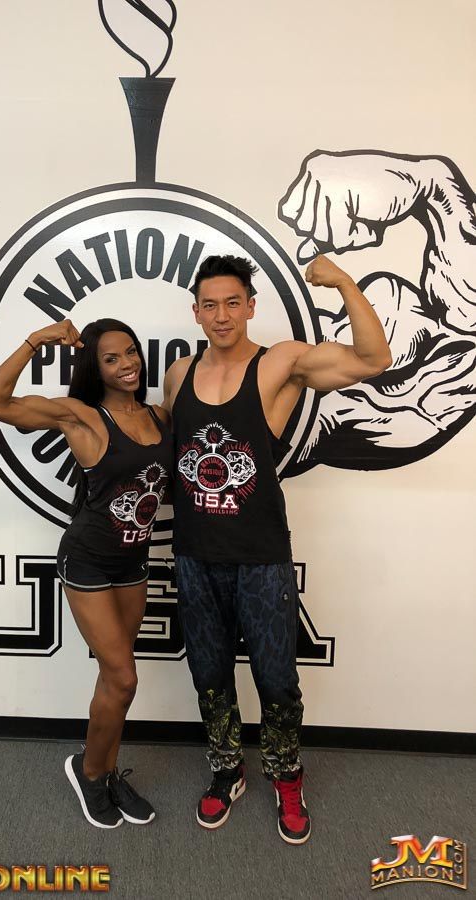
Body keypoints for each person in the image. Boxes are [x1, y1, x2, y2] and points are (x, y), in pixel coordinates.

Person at [161, 253, 392, 841]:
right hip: (194, 553)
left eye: (232, 303)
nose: (221, 315)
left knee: (276, 678)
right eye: (210, 305)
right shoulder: (178, 373)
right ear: (195, 312)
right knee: (209, 673)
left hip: (261, 555)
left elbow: (374, 359)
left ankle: (287, 776)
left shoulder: (280, 362)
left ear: (250, 307)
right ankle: (227, 769)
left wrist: (343, 282)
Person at [0, 317, 171, 829]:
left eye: (131, 352)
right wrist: (35, 341)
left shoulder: (159, 416)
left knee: (114, 679)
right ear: (95, 367)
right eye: (111, 358)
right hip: (87, 560)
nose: (127, 364)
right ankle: (89, 772)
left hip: (133, 561)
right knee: (124, 677)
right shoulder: (82, 416)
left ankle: (105, 768)